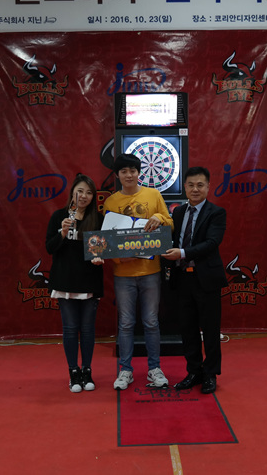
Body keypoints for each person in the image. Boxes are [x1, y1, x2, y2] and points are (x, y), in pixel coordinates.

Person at [104, 153, 173, 390]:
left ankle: (154, 368)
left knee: (151, 322)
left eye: (132, 170)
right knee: (125, 324)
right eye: (124, 171)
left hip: (150, 270)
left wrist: (159, 217)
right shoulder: (111, 202)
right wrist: (119, 258)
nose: (129, 175)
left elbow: (170, 223)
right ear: (117, 175)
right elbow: (106, 241)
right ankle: (125, 370)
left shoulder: (153, 195)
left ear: (139, 172)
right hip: (123, 274)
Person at [162, 166, 228, 394]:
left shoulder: (216, 213)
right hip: (182, 279)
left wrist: (181, 253)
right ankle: (194, 372)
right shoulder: (178, 212)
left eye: (200, 185)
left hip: (206, 279)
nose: (195, 189)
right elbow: (172, 239)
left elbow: (211, 243)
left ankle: (210, 374)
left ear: (208, 187)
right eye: (190, 185)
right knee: (187, 330)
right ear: (185, 187)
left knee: (210, 330)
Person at [45, 174, 105, 393]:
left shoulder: (97, 219)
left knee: (88, 330)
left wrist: (99, 257)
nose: (84, 196)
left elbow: (99, 249)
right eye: (80, 191)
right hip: (65, 281)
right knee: (70, 329)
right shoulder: (59, 216)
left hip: (89, 281)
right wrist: (62, 232)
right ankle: (73, 371)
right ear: (72, 193)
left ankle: (87, 370)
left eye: (89, 193)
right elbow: (50, 248)